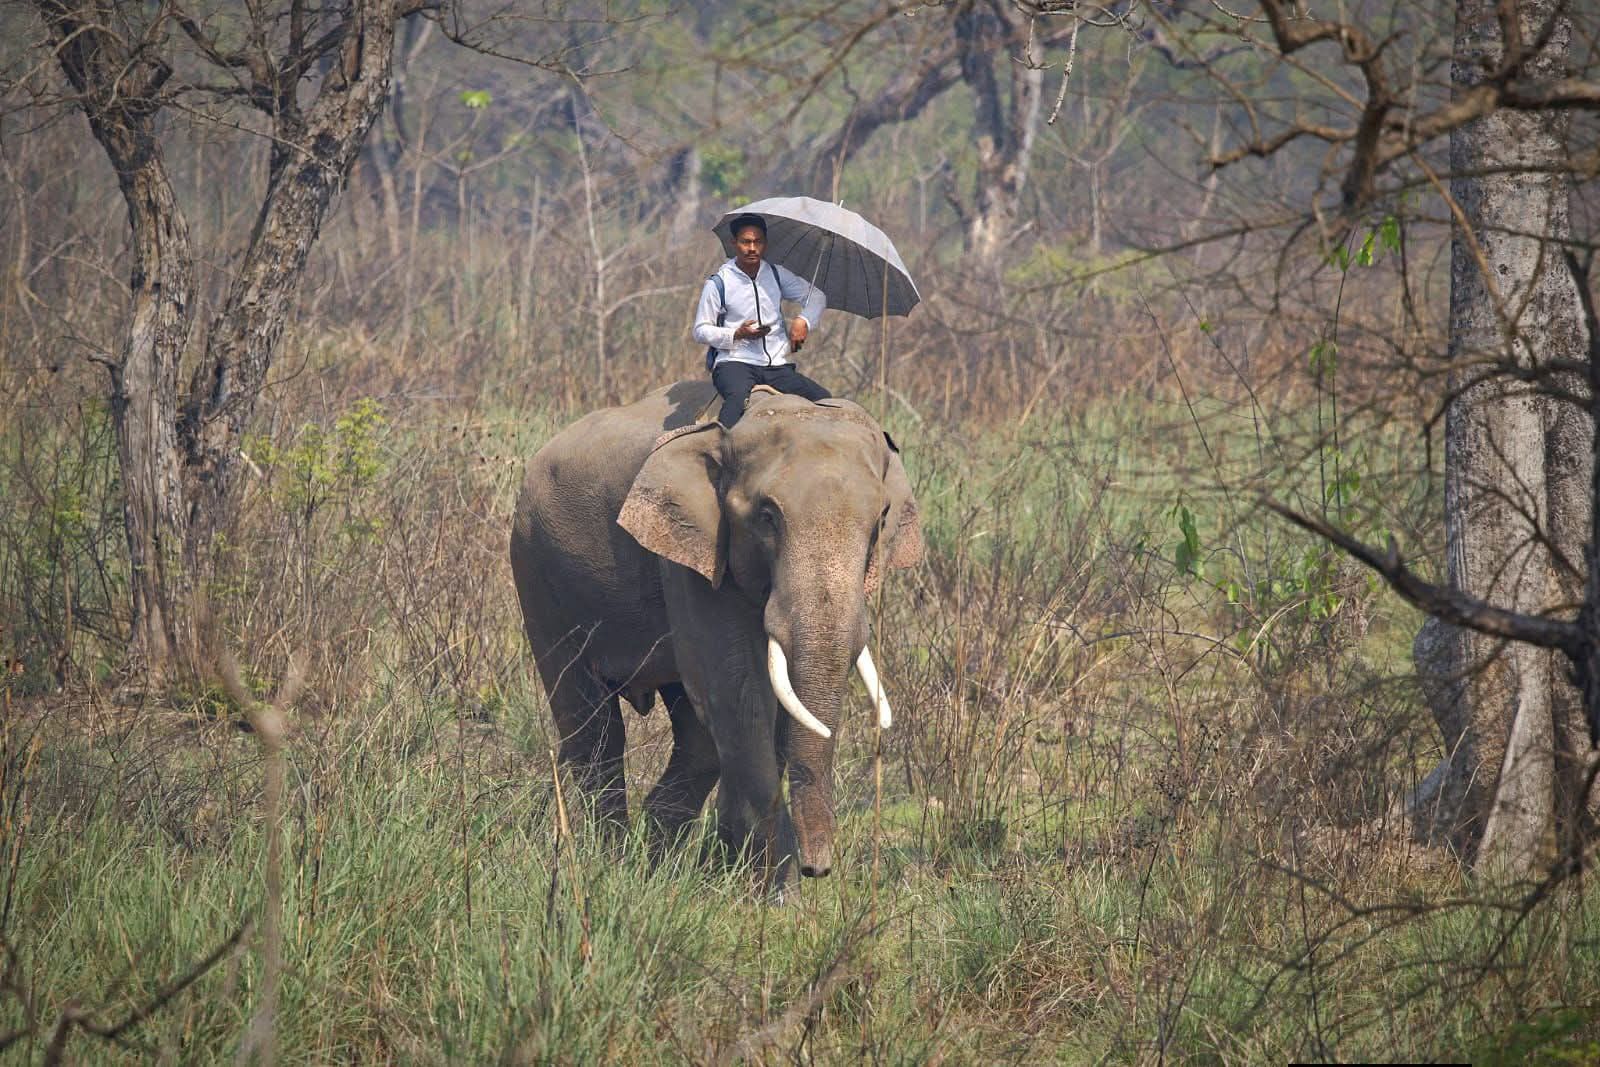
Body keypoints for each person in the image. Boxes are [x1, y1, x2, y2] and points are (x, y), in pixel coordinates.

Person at [693, 214, 831, 427]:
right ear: (734, 244)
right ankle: (716, 450)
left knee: (825, 400)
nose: (752, 248)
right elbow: (700, 330)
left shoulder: (776, 274)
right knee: (737, 402)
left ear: (765, 244)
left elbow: (817, 296)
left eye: (757, 242)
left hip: (776, 365)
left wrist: (803, 320)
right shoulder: (719, 283)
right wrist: (736, 334)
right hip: (734, 362)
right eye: (745, 242)